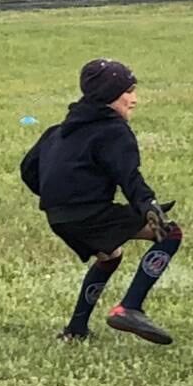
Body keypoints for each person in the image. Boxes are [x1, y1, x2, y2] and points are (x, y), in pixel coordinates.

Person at [20, 59, 181, 346]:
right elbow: (128, 176)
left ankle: (76, 330)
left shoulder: (57, 132)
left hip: (58, 218)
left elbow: (29, 170)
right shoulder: (113, 131)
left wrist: (56, 196)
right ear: (109, 96)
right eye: (128, 92)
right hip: (89, 213)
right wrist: (147, 204)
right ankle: (129, 307)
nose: (134, 99)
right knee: (170, 234)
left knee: (110, 255)